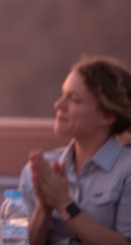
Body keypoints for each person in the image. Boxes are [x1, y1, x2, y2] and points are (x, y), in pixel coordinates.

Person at [18, 55, 131, 245]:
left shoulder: (126, 170)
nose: (59, 105)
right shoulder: (42, 171)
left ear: (107, 116)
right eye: (63, 95)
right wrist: (44, 208)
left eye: (74, 100)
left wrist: (64, 204)